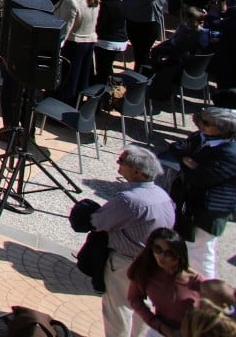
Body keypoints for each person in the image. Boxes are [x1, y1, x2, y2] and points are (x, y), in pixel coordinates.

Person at [95, 144, 179, 337]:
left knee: (118, 309)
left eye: (121, 161)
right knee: (143, 308)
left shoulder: (129, 199)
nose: (118, 163)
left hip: (127, 263)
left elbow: (98, 221)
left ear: (137, 171)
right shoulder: (162, 195)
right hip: (154, 263)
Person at [172, 107, 236, 279]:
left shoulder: (230, 153)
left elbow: (200, 178)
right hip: (191, 205)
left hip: (209, 213)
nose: (200, 124)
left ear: (222, 129)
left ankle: (206, 293)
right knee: (187, 248)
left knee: (202, 254)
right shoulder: (203, 139)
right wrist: (189, 162)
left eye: (206, 123)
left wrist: (190, 164)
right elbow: (179, 149)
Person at [127, 227, 200, 337]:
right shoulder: (145, 272)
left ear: (179, 255)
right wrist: (158, 325)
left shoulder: (198, 282)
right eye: (157, 249)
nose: (162, 256)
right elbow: (134, 298)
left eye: (169, 253)